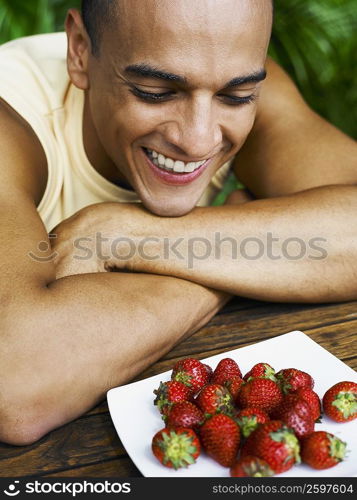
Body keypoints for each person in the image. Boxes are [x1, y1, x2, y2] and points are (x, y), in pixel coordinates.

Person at [0, 0, 356, 446]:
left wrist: (125, 236)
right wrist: (239, 262)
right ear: (79, 51)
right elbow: (16, 382)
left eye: (237, 97)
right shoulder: (11, 120)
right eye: (155, 91)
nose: (198, 138)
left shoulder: (234, 67)